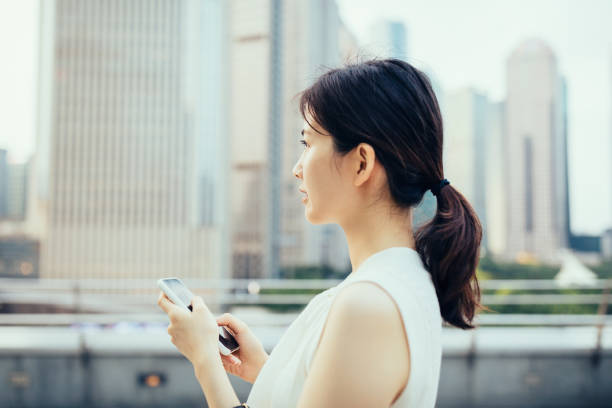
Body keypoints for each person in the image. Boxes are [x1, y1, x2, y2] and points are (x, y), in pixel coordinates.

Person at [157, 57, 484, 408]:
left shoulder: (368, 305)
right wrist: (270, 370)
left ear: (361, 163)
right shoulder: (402, 280)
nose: (298, 169)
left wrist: (205, 360)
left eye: (309, 144)